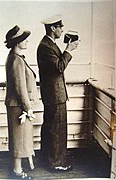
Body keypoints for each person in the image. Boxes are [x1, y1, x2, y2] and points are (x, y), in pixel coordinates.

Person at [37, 15, 79, 171]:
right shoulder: (46, 46)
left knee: (52, 127)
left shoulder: (49, 44)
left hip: (54, 94)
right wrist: (69, 50)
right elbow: (59, 67)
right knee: (56, 129)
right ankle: (55, 163)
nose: (62, 29)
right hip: (54, 95)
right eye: (60, 27)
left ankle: (49, 159)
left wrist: (67, 50)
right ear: (53, 28)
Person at [4, 25, 38, 179]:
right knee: (19, 139)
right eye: (25, 39)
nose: (27, 42)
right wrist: (28, 108)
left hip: (17, 106)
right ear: (18, 42)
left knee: (20, 138)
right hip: (19, 107)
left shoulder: (15, 58)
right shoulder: (16, 60)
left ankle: (17, 169)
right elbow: (20, 87)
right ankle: (17, 172)